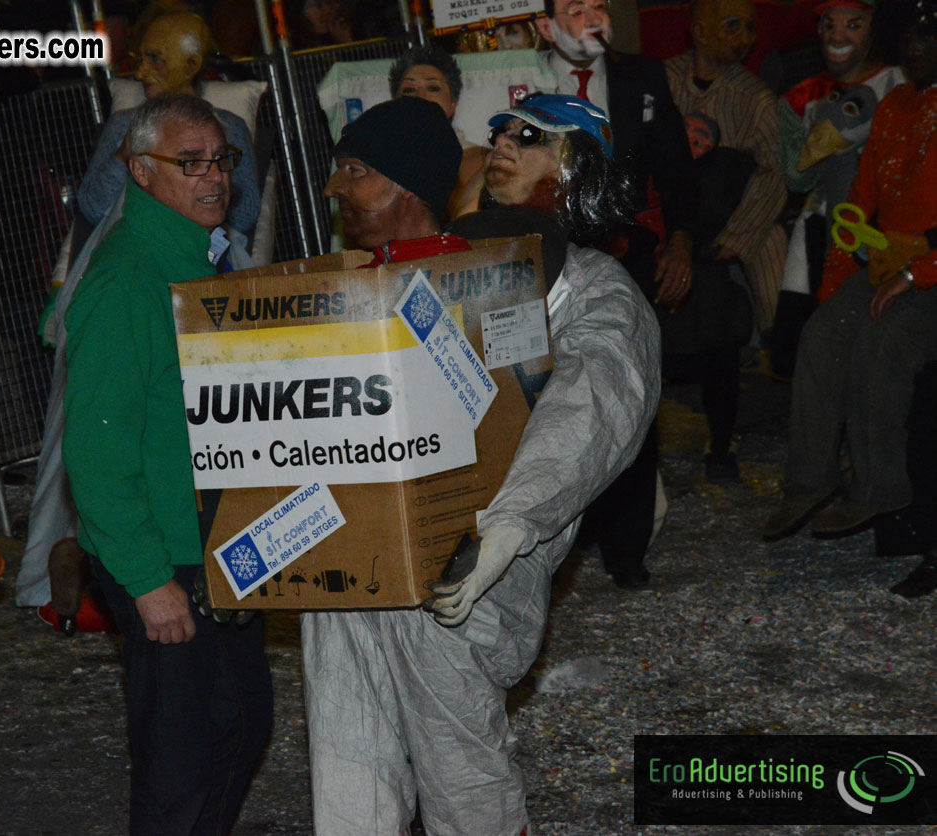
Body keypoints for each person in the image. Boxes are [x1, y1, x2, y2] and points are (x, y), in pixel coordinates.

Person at [303, 95, 659, 835]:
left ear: (574, 165)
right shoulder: (436, 264)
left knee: (459, 774)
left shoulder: (588, 288)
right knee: (348, 757)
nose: (501, 142)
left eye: (527, 137)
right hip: (356, 550)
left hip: (467, 557)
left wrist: (509, 522)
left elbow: (592, 405)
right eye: (497, 130)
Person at [62, 93, 272, 836]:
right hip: (163, 554)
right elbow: (96, 447)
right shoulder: (130, 282)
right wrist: (148, 580)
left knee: (238, 726)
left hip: (209, 546)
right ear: (139, 172)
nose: (211, 178)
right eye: (189, 164)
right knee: (187, 753)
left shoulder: (197, 259)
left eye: (221, 160)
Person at [532, 0, 698, 585]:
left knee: (631, 384)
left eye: (599, 5)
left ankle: (626, 547)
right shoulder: (516, 76)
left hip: (628, 248)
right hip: (545, 254)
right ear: (548, 25)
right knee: (551, 389)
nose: (592, 18)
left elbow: (675, 167)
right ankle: (552, 542)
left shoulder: (640, 76)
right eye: (575, 9)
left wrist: (681, 242)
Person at [761, 3, 937, 542]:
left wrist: (914, 274)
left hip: (928, 275)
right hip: (887, 265)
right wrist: (840, 280)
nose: (915, 49)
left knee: (881, 345)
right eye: (908, 38)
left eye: (927, 39)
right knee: (820, 337)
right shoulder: (894, 105)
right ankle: (811, 478)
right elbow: (857, 211)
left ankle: (880, 485)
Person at [770, 0, 906, 378]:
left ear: (872, 30)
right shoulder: (802, 96)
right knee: (801, 339)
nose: (838, 36)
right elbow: (796, 178)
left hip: (881, 227)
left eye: (853, 25)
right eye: (829, 25)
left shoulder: (901, 82)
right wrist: (821, 144)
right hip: (818, 223)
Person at [75, 11, 260, 242]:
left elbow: (246, 213)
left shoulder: (228, 127)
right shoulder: (125, 125)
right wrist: (123, 155)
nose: (141, 73)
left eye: (155, 59)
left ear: (191, 65)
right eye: (140, 59)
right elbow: (93, 208)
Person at [664, 0, 788, 336]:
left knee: (771, 242)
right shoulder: (665, 79)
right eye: (733, 25)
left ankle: (774, 344)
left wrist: (739, 235)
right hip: (669, 212)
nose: (745, 37)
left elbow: (774, 171)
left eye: (750, 28)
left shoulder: (755, 98)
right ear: (700, 32)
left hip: (727, 215)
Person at [389, 44, 489, 222]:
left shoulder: (482, 162)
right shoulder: (380, 167)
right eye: (409, 90)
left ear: (453, 104)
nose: (420, 96)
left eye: (433, 88)